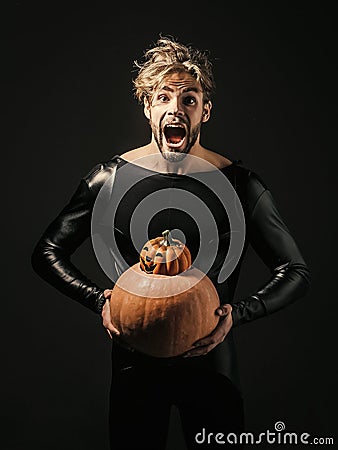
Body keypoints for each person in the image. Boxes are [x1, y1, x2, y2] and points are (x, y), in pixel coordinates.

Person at [31, 36, 311, 449]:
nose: (175, 109)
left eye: (189, 99)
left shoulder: (240, 186)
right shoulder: (109, 180)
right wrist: (99, 299)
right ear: (148, 108)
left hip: (213, 366)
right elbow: (46, 253)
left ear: (205, 110)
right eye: (163, 97)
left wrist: (238, 313)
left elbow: (296, 272)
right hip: (134, 369)